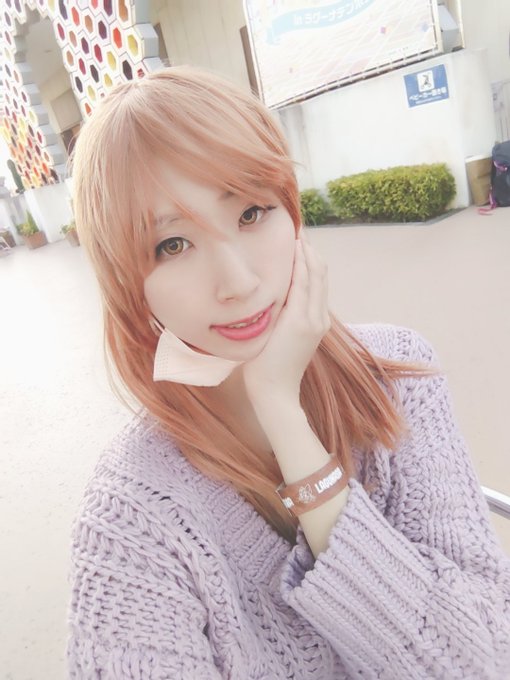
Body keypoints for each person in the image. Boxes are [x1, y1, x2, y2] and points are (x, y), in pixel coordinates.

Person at [68, 66, 510, 679]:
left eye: (251, 212)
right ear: (126, 284)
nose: (239, 281)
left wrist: (282, 412)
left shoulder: (399, 381)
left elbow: (480, 661)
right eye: (172, 245)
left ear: (291, 210)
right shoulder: (131, 518)